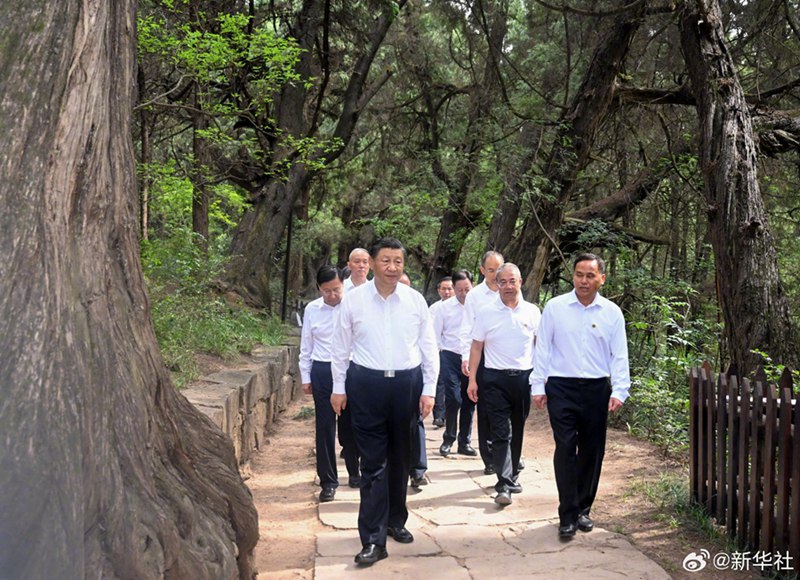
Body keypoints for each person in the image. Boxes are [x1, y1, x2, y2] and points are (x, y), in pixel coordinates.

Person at [331, 238, 439, 566]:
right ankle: (373, 539)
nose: (392, 268)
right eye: (386, 261)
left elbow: (428, 345)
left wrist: (429, 388)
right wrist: (339, 387)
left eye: (398, 262)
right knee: (373, 462)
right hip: (366, 384)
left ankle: (396, 519)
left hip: (406, 384)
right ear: (372, 263)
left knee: (401, 457)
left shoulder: (414, 300)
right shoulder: (354, 301)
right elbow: (340, 346)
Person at [530, 253, 630, 538]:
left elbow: (619, 354)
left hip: (597, 388)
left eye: (589, 275)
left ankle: (583, 509)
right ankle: (567, 512)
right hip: (561, 386)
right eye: (578, 274)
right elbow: (543, 349)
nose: (583, 281)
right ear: (572, 276)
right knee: (565, 447)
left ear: (601, 278)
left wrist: (620, 389)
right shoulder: (556, 307)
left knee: (591, 450)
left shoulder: (612, 313)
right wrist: (538, 385)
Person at [467, 264, 540, 506]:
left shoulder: (532, 312)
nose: (508, 286)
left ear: (521, 282)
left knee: (517, 429)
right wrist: (472, 379)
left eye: (512, 281)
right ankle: (504, 483)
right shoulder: (486, 312)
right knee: (501, 431)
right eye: (503, 282)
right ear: (497, 284)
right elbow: (477, 346)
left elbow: (540, 347)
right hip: (494, 379)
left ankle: (512, 476)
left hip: (523, 379)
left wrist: (541, 380)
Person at [299, 266, 360, 502]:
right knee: (325, 427)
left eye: (336, 289)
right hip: (322, 369)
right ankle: (328, 481)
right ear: (319, 289)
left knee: (351, 423)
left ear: (343, 285)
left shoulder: (353, 306)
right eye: (327, 291)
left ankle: (355, 472)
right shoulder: (312, 309)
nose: (332, 295)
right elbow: (307, 344)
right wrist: (306, 376)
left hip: (350, 367)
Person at [460, 250, 504, 474]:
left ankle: (506, 453)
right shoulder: (475, 296)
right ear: (482, 271)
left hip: (506, 355)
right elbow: (467, 327)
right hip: (483, 354)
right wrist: (466, 357)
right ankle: (490, 457)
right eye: (491, 270)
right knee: (486, 407)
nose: (496, 274)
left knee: (506, 408)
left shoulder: (511, 289)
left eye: (499, 268)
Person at [433, 270, 476, 457]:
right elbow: (435, 336)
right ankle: (448, 438)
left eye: (467, 289)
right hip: (450, 356)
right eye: (459, 290)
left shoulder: (480, 306)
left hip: (473, 357)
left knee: (469, 400)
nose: (463, 293)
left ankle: (464, 441)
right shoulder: (444, 308)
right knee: (453, 398)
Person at [398, 272, 429, 489]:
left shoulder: (416, 307)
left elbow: (428, 347)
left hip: (412, 376)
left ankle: (418, 470)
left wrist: (429, 386)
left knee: (415, 423)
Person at [429, 276, 454, 427]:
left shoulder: (464, 307)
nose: (447, 292)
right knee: (439, 383)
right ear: (438, 291)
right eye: (443, 289)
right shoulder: (434, 309)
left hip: (454, 351)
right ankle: (439, 415)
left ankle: (450, 414)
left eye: (449, 288)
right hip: (438, 350)